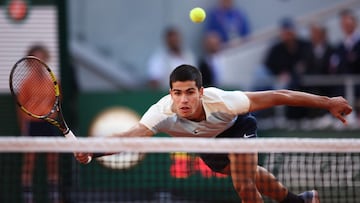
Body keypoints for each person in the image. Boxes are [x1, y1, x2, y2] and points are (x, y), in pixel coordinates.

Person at [76, 64, 352, 203]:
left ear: (200, 92)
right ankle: (298, 202)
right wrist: (94, 149)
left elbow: (280, 95)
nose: (183, 100)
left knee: (244, 183)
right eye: (177, 93)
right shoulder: (161, 112)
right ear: (171, 92)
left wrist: (327, 103)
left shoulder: (223, 101)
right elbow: (130, 136)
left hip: (236, 129)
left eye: (189, 92)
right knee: (251, 173)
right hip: (206, 143)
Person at [17, 45, 62, 203]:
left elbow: (57, 103)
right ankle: (28, 197)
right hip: (32, 125)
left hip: (49, 124)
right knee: (29, 162)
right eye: (35, 59)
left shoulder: (53, 82)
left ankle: (54, 196)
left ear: (45, 59)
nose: (38, 62)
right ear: (30, 62)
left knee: (53, 161)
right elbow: (21, 108)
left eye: (41, 58)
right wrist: (24, 129)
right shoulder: (26, 84)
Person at [264, 17, 310, 121]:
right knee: (279, 87)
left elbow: (308, 64)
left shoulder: (304, 45)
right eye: (285, 32)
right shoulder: (276, 48)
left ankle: (304, 118)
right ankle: (282, 119)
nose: (287, 34)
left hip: (302, 80)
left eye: (289, 31)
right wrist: (279, 74)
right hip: (282, 82)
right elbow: (268, 65)